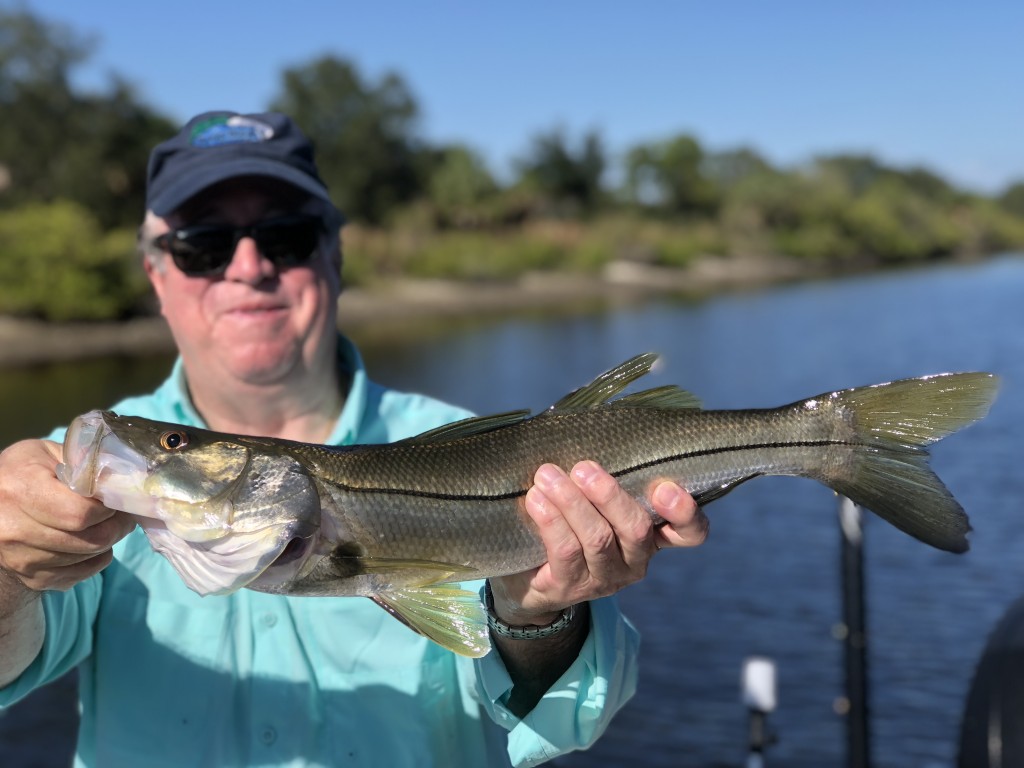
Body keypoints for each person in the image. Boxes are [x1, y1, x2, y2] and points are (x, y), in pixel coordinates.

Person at [0, 111, 709, 767]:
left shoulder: (469, 446)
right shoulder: (71, 475)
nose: (249, 266)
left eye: (285, 236)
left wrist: (539, 615)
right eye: (203, 245)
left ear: (334, 256)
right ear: (157, 275)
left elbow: (570, 720)